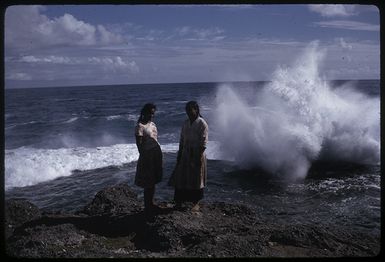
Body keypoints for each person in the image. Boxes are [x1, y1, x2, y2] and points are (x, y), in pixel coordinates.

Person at [169, 101, 208, 212]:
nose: (188, 113)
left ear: (196, 110)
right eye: (187, 110)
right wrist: (179, 155)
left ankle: (196, 203)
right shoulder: (185, 123)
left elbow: (203, 143)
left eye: (190, 110)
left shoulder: (202, 123)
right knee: (181, 178)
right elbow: (182, 140)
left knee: (196, 178)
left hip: (197, 153)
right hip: (185, 154)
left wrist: (197, 158)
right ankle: (179, 202)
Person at [135, 103, 163, 215]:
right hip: (147, 157)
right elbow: (139, 146)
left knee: (154, 181)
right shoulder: (140, 126)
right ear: (144, 112)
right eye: (150, 113)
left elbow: (155, 139)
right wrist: (146, 159)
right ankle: (147, 206)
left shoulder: (153, 124)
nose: (152, 115)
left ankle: (151, 203)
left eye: (153, 113)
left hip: (156, 154)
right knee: (148, 183)